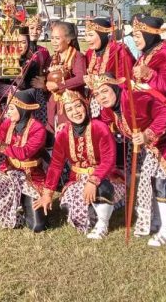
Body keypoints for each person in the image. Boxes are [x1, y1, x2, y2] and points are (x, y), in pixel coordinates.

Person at [90, 73, 166, 246]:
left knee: (164, 182)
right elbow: (101, 124)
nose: (101, 97)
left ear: (115, 88)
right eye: (97, 94)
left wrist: (146, 134)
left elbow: (165, 113)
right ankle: (156, 220)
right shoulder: (109, 110)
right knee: (150, 180)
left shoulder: (135, 98)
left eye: (104, 91)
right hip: (157, 145)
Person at [34, 90, 125, 238]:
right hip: (76, 180)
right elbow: (56, 165)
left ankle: (103, 225)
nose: (75, 112)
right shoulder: (63, 134)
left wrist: (93, 180)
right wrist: (47, 193)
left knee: (102, 190)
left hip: (105, 177)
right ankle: (101, 211)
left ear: (85, 106)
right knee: (70, 209)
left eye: (78, 106)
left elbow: (109, 159)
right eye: (69, 109)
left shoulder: (99, 127)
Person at [0, 89, 48, 232]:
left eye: (10, 108)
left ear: (22, 108)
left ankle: (23, 200)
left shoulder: (38, 129)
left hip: (31, 177)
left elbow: (24, 153)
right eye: (7, 108)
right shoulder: (7, 124)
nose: (7, 112)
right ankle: (15, 206)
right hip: (10, 171)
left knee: (37, 226)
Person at [83, 17, 135, 117]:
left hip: (116, 101)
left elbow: (126, 80)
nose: (87, 39)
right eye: (86, 35)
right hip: (95, 100)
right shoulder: (90, 53)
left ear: (102, 35)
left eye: (90, 35)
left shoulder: (118, 50)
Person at [45, 21, 86, 134]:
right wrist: (43, 84)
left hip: (70, 106)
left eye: (57, 38)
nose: (53, 42)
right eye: (52, 38)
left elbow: (81, 78)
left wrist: (59, 86)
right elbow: (47, 82)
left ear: (68, 40)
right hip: (53, 105)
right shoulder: (52, 58)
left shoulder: (77, 56)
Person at [131, 14, 166, 103]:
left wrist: (148, 74)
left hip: (161, 106)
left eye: (138, 36)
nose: (135, 40)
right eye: (133, 36)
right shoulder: (147, 51)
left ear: (148, 36)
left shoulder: (164, 53)